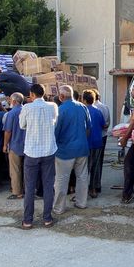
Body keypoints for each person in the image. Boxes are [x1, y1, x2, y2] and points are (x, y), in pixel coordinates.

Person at [18, 83, 58, 229]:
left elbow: (22, 125)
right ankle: (47, 218)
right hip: (49, 151)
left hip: (32, 152)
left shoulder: (26, 108)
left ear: (32, 94)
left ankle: (28, 220)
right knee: (48, 185)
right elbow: (55, 122)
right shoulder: (53, 106)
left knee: (29, 187)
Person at [53, 85, 90, 213]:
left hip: (65, 151)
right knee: (82, 177)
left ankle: (59, 207)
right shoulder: (83, 107)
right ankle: (81, 202)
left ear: (61, 96)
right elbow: (88, 128)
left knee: (62, 179)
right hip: (82, 148)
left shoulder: (60, 110)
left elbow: (56, 132)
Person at [3, 92, 27, 200]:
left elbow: (8, 131)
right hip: (27, 145)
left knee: (15, 170)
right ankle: (28, 189)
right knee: (27, 169)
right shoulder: (27, 110)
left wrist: (5, 144)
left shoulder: (11, 113)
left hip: (15, 144)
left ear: (13, 101)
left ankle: (17, 192)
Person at [82, 90, 106, 198]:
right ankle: (93, 189)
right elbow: (104, 125)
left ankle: (82, 191)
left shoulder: (83, 111)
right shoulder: (98, 111)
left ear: (84, 100)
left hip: (85, 143)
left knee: (83, 169)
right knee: (95, 167)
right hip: (97, 142)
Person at [92, 90, 111, 192]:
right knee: (99, 161)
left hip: (92, 138)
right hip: (103, 136)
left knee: (91, 162)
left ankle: (92, 185)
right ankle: (97, 184)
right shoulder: (105, 107)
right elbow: (107, 123)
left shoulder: (91, 108)